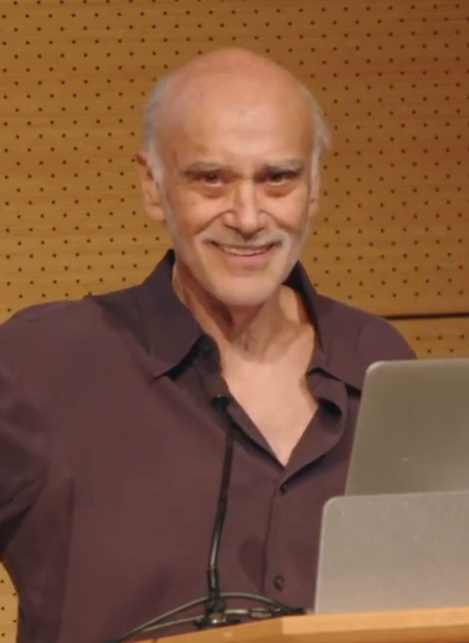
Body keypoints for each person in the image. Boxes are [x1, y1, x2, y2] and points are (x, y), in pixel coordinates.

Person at [0, 48, 414, 643]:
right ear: (153, 186)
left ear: (314, 186)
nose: (247, 216)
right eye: (211, 179)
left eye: (277, 178)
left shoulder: (378, 360)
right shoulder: (44, 363)